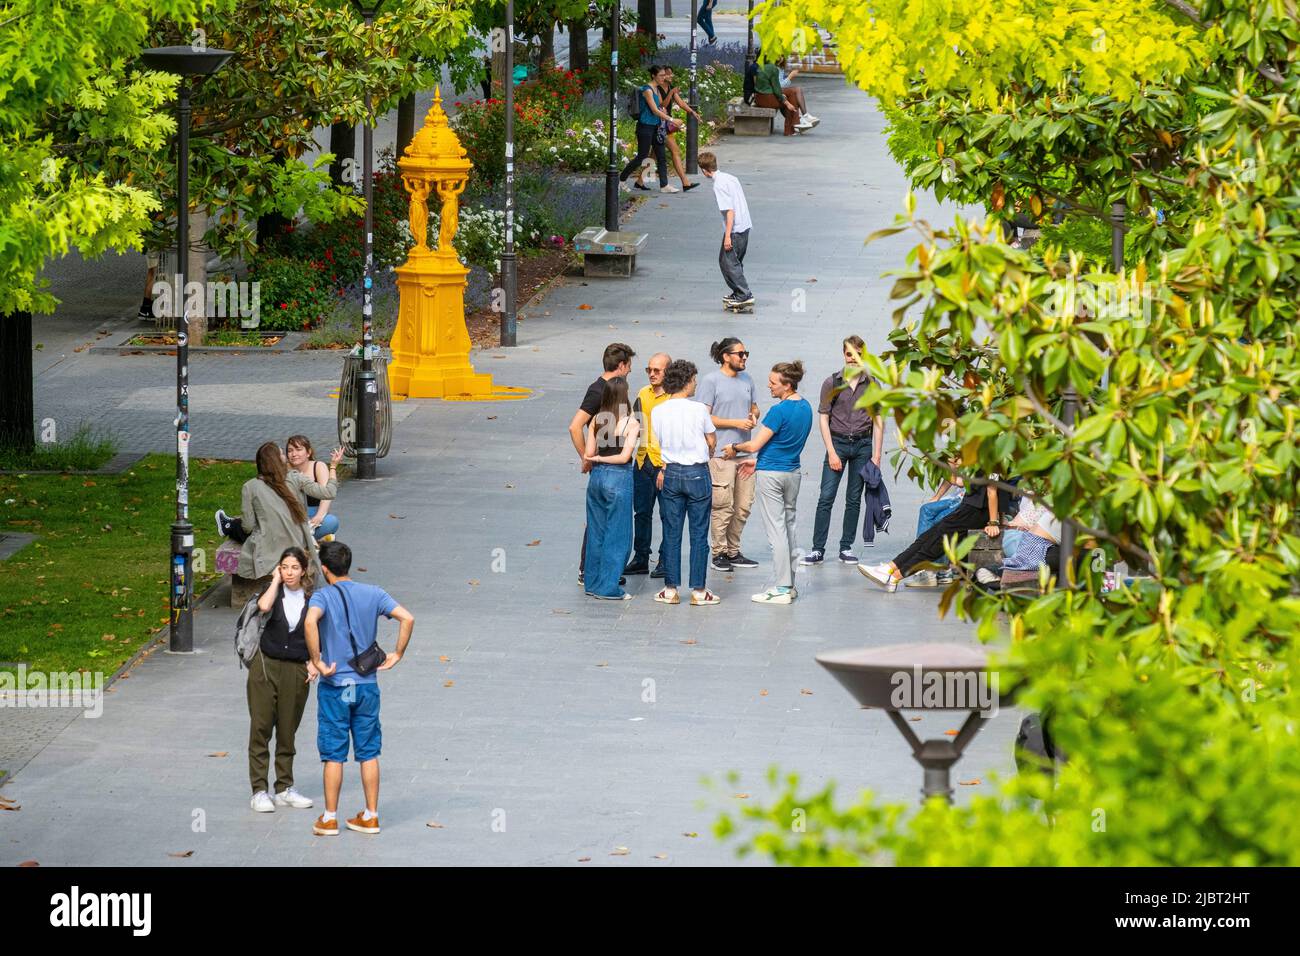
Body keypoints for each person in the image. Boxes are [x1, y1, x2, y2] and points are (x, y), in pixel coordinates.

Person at [304, 540, 415, 836]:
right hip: (365, 685)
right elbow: (407, 617)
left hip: (336, 686)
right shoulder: (374, 593)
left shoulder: (322, 597)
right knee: (368, 751)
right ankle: (371, 815)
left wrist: (316, 659)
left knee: (334, 754)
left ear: (325, 570)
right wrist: (397, 654)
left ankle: (329, 818)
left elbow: (310, 622)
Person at [722, 361, 814, 605]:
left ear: (787, 385)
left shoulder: (778, 411)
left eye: (773, 383)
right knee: (790, 526)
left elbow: (753, 444)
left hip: (772, 475)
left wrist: (734, 447)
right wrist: (758, 460)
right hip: (792, 473)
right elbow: (785, 443)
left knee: (777, 532)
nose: (769, 386)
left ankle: (782, 587)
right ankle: (790, 584)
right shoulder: (806, 408)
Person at [247, 546, 317, 814]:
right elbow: (263, 607)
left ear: (303, 570)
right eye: (285, 567)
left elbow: (317, 632)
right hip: (266, 665)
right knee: (261, 726)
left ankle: (284, 787)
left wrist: (314, 662)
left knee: (288, 729)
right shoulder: (273, 593)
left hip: (296, 668)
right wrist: (275, 580)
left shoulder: (312, 598)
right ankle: (259, 789)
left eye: (294, 568)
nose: (289, 572)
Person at [859, 472, 1013, 592]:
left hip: (976, 510)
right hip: (971, 507)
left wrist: (994, 522)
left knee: (935, 544)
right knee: (929, 537)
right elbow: (964, 481)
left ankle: (894, 577)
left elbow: (992, 490)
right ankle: (890, 568)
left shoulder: (991, 447)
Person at [803, 336, 884, 566]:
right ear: (844, 355)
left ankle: (846, 547)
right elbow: (823, 417)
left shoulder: (873, 384)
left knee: (854, 498)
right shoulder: (831, 383)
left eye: (858, 354)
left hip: (862, 446)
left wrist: (876, 456)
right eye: (850, 354)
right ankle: (818, 549)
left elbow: (878, 419)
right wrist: (830, 451)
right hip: (837, 442)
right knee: (826, 496)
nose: (853, 358)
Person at [217, 441, 342, 582]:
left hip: (267, 548)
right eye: (283, 453)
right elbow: (329, 492)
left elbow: (247, 527)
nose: (285, 456)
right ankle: (229, 525)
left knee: (243, 526)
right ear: (278, 460)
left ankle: (228, 526)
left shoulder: (250, 486)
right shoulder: (296, 477)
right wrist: (333, 466)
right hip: (297, 541)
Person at [651, 359, 721, 606]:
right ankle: (699, 590)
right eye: (693, 379)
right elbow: (711, 440)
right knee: (699, 532)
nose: (695, 384)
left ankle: (670, 588)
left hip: (671, 472)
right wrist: (707, 451)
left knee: (671, 531)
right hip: (697, 473)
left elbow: (659, 440)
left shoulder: (658, 410)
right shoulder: (699, 409)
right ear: (686, 381)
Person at [568, 343, 635, 587]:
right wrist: (586, 458)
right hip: (607, 465)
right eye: (629, 367)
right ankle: (589, 570)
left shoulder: (611, 389)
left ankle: (598, 570)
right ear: (621, 366)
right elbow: (575, 426)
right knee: (604, 522)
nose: (630, 372)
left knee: (601, 519)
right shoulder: (599, 391)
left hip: (603, 462)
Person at [696, 338, 760, 573]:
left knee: (743, 505)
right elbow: (704, 418)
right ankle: (719, 552)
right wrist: (735, 422)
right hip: (721, 454)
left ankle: (734, 551)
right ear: (725, 356)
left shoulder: (747, 380)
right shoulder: (711, 381)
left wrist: (754, 415)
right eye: (740, 354)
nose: (744, 358)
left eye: (746, 354)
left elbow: (754, 407)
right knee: (723, 506)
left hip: (744, 452)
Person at [583, 377, 640, 600]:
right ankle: (609, 587)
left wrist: (596, 458)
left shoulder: (597, 419)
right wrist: (601, 458)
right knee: (619, 533)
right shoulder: (631, 423)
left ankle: (592, 582)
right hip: (619, 478)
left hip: (596, 478)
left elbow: (588, 452)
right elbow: (625, 456)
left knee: (596, 531)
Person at [625, 352, 672, 578]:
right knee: (641, 512)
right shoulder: (643, 394)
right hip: (643, 462)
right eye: (649, 370)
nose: (652, 374)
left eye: (657, 370)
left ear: (668, 372)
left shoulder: (674, 399)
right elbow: (636, 424)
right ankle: (641, 557)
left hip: (665, 464)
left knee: (667, 515)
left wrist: (666, 466)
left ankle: (665, 559)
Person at [699, 152, 754, 310]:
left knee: (727, 262)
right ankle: (738, 292)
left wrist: (728, 236)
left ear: (704, 170)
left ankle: (744, 294)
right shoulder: (730, 177)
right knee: (735, 261)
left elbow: (730, 212)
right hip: (745, 224)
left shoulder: (719, 185)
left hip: (735, 229)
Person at [635, 67, 703, 192]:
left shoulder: (670, 86)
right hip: (660, 124)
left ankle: (639, 181)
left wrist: (692, 112)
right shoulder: (657, 88)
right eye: (668, 74)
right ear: (662, 75)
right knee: (675, 151)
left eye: (671, 74)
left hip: (664, 125)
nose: (671, 76)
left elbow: (681, 103)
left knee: (654, 155)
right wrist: (671, 94)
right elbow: (661, 105)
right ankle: (685, 183)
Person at [905, 457, 964, 588]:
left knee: (939, 520)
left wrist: (951, 465)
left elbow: (959, 480)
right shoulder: (957, 441)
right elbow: (952, 475)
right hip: (957, 497)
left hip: (967, 501)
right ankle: (935, 569)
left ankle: (932, 570)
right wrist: (937, 497)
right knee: (926, 509)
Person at [619, 65, 677, 193]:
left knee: (661, 156)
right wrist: (671, 120)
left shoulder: (656, 89)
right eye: (661, 75)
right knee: (642, 157)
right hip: (645, 127)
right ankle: (621, 180)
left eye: (664, 75)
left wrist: (664, 107)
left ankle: (664, 185)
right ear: (653, 76)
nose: (664, 77)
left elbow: (660, 106)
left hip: (656, 127)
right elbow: (654, 110)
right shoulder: (648, 90)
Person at [286, 434, 339, 542]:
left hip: (314, 514)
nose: (294, 454)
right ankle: (314, 540)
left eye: (298, 449)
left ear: (308, 452)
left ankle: (302, 540)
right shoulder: (284, 469)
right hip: (293, 516)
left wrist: (319, 516)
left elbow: (326, 496)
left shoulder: (318, 466)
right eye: (290, 450)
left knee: (331, 522)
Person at [753, 59, 814, 136]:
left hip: (760, 98)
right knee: (792, 94)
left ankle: (797, 123)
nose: (780, 57)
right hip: (766, 99)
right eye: (778, 55)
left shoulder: (764, 66)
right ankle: (795, 124)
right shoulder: (773, 68)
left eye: (782, 55)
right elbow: (777, 89)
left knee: (791, 93)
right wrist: (787, 103)